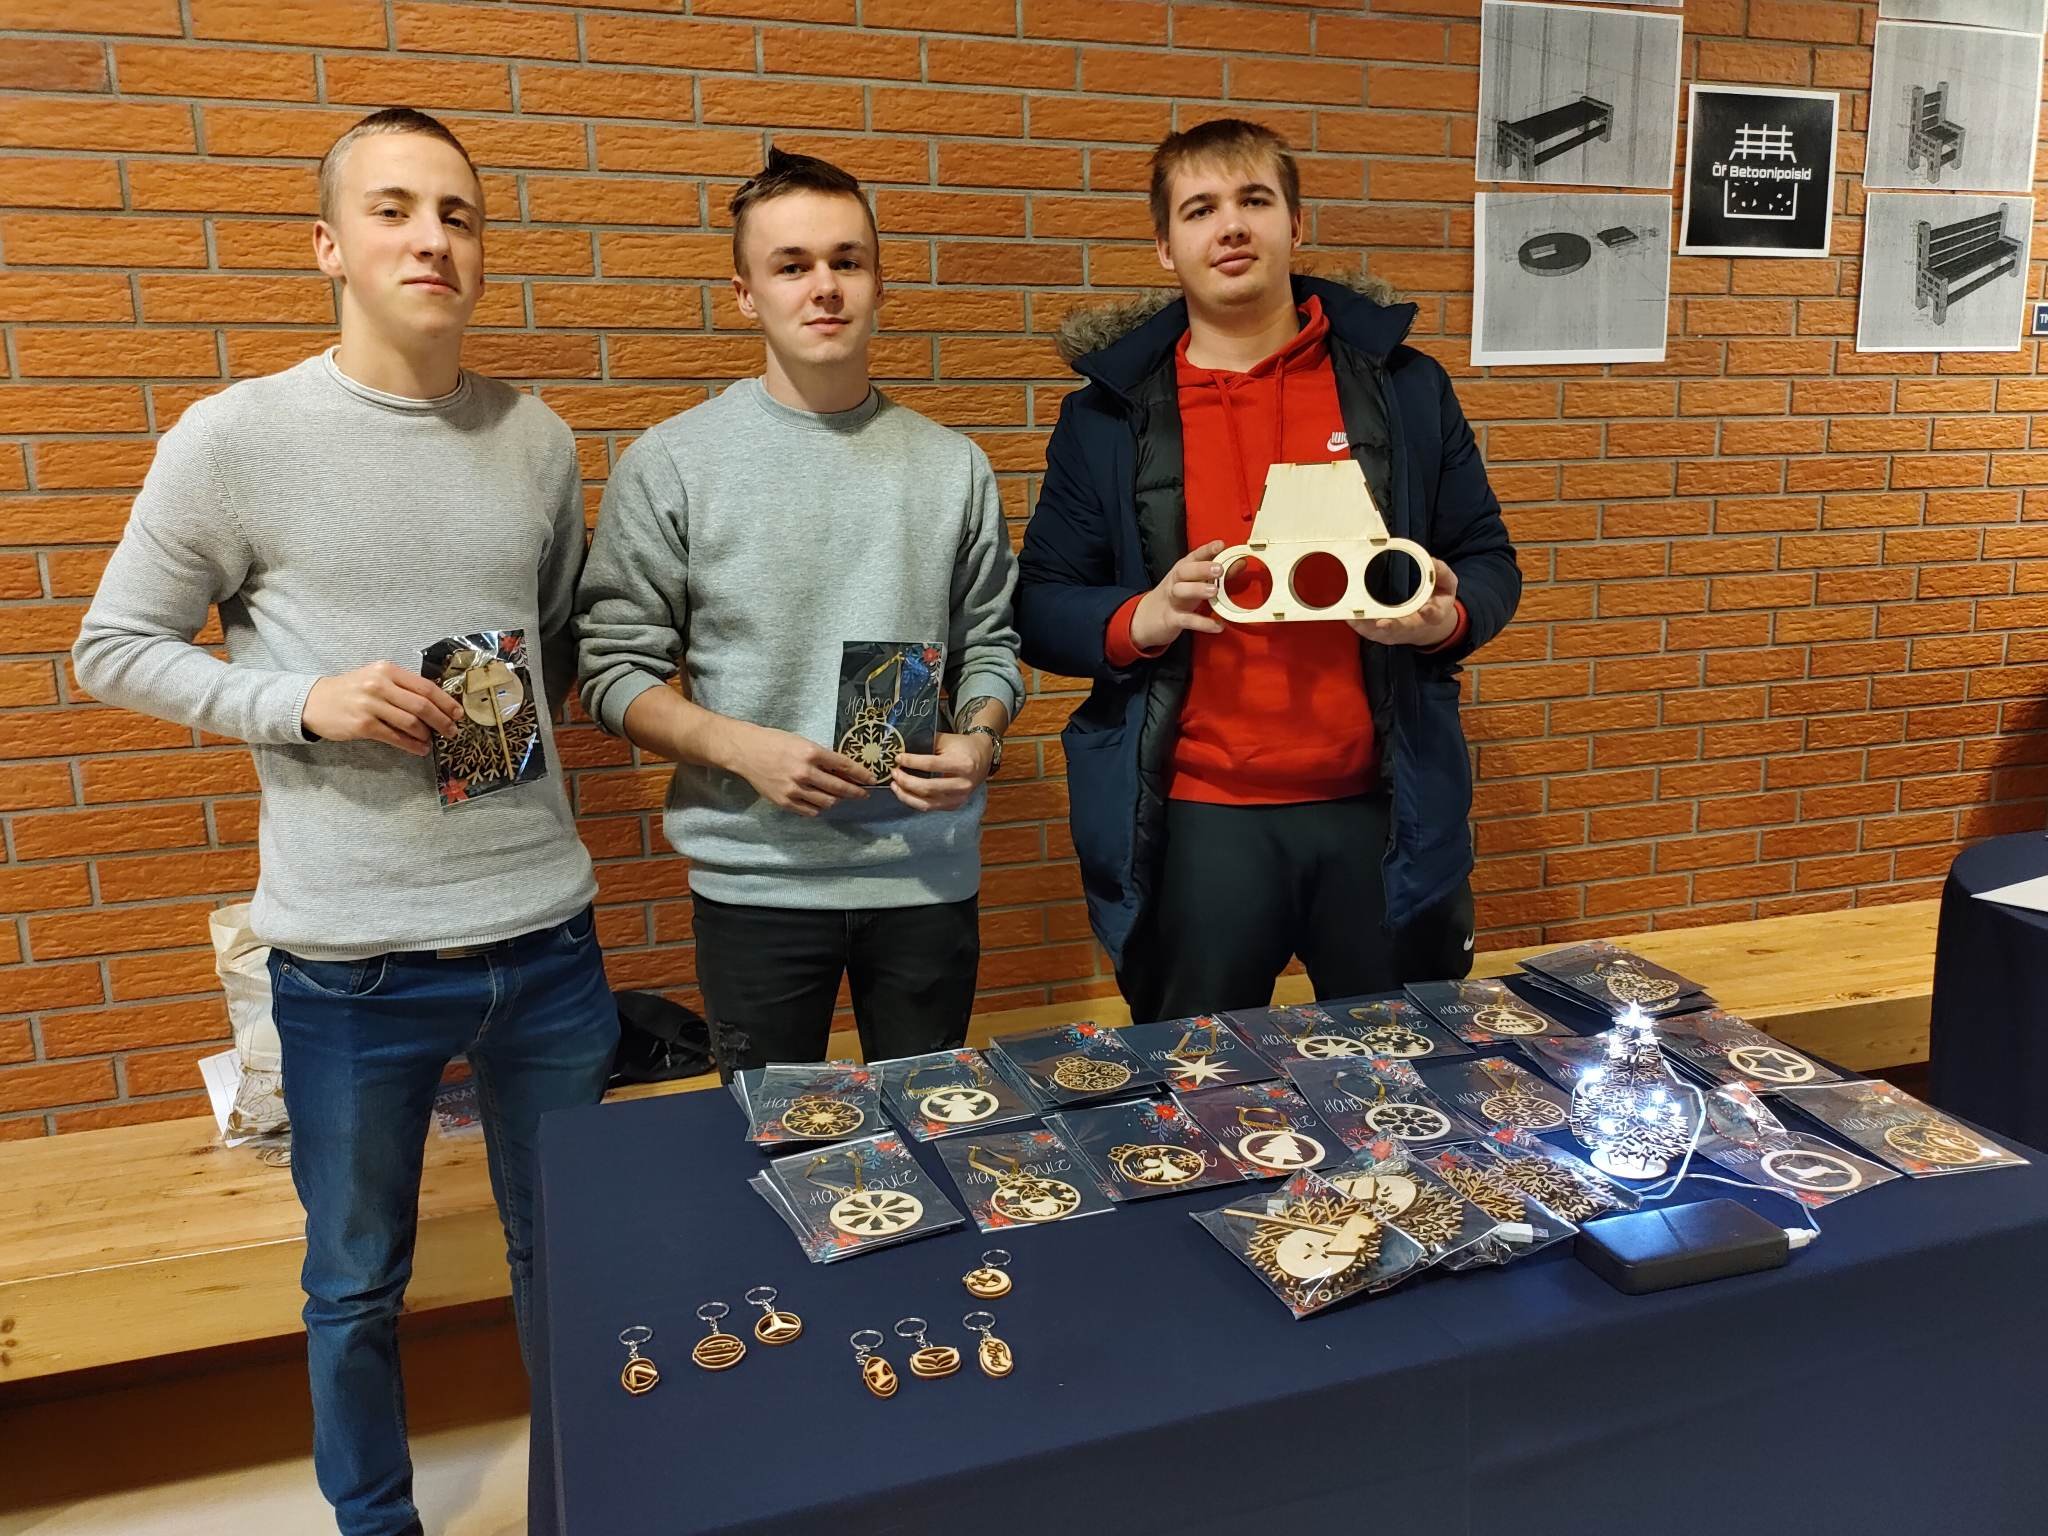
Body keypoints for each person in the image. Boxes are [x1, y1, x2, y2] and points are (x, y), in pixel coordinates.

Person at [72, 108, 615, 1536]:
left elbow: (550, 648)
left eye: (458, 213)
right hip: (350, 965)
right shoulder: (236, 438)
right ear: (328, 247)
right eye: (393, 210)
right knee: (356, 1282)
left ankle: (588, 1500)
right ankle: (377, 1525)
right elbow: (111, 648)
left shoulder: (537, 439)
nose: (432, 238)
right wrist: (301, 700)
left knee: (573, 1261)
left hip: (549, 943)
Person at [1014, 118, 1521, 1023]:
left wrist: (1446, 618)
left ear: (1296, 223)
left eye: (1254, 200)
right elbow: (1042, 606)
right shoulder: (1107, 417)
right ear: (1165, 246)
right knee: (1199, 1084)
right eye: (1200, 209)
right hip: (1196, 814)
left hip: (1384, 809)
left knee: (1409, 1076)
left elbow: (1487, 559)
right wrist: (1141, 617)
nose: (1232, 226)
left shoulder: (1404, 388)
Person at [576, 148, 1021, 1072]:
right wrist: (739, 746)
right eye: (792, 266)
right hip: (757, 881)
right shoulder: (673, 464)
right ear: (746, 294)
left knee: (930, 1125)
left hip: (924, 877)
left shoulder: (952, 466)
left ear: (878, 281)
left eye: (846, 261)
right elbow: (612, 671)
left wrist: (980, 741)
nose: (824, 287)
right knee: (777, 1137)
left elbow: (990, 645)